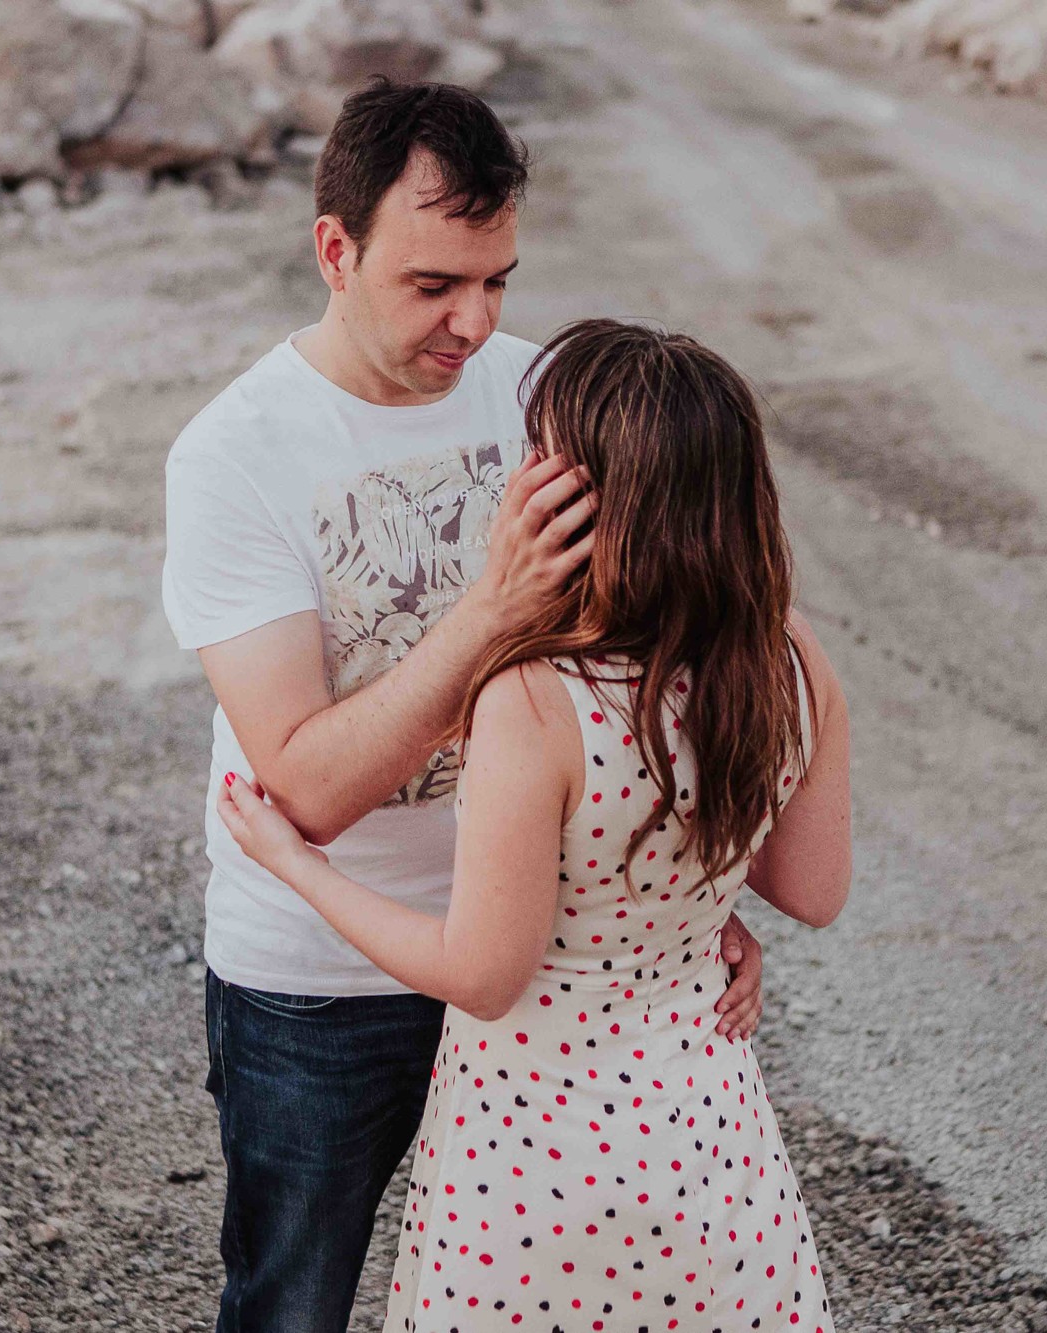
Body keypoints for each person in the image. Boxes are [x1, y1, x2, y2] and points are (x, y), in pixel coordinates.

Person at [160, 83, 769, 1332]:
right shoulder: (232, 456)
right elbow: (304, 789)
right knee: (293, 1305)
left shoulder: (543, 390)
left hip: (546, 973)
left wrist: (691, 898)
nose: (475, 322)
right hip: (317, 988)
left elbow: (658, 665)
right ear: (335, 250)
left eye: (496, 280)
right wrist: (491, 610)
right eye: (433, 283)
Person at [219, 317, 853, 1332]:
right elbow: (811, 889)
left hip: (534, 1171)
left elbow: (482, 973)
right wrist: (692, 908)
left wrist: (297, 866)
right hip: (710, 1150)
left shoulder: (537, 698)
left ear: (581, 502)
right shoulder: (788, 654)